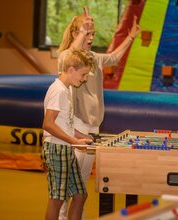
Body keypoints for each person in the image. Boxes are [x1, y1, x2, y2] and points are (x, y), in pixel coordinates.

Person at [57, 6, 140, 220]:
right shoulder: (69, 61)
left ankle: (77, 216)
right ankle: (62, 216)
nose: (91, 36)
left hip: (92, 128)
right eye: (87, 32)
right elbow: (67, 56)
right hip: (77, 127)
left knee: (81, 185)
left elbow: (113, 58)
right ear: (76, 34)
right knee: (69, 184)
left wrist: (130, 37)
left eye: (93, 33)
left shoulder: (93, 57)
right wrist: (83, 29)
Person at [42, 48, 95, 220]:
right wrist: (74, 140)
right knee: (57, 198)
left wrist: (82, 137)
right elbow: (48, 124)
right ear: (71, 70)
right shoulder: (58, 90)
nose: (85, 78)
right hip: (57, 149)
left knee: (80, 195)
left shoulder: (66, 90)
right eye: (84, 74)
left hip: (65, 148)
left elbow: (65, 125)